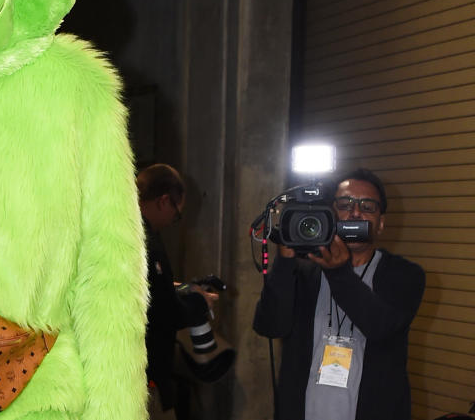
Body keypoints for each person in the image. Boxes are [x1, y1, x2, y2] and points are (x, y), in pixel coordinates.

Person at [253, 168, 425, 420]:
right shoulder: (304, 273)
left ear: (381, 223)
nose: (355, 212)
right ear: (329, 215)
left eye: (367, 207)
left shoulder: (405, 275)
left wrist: (337, 272)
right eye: (345, 204)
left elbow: (381, 327)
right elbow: (270, 326)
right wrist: (286, 259)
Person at [137, 164, 216, 419]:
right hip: (143, 375)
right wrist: (200, 304)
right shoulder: (145, 240)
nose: (174, 221)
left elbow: (147, 285)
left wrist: (183, 287)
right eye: (176, 214)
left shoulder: (120, 228)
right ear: (163, 201)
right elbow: (164, 311)